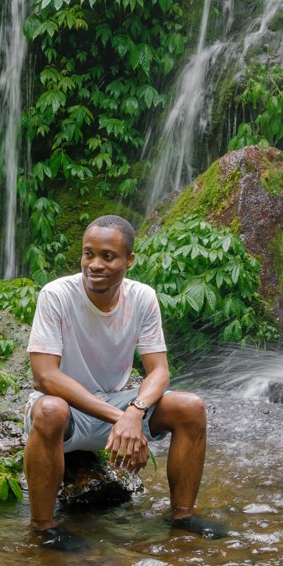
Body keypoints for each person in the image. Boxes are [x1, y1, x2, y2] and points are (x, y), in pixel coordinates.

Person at [24, 214, 226, 549]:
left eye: (108, 256)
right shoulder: (56, 294)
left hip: (116, 403)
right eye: (88, 254)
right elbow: (45, 376)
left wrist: (136, 410)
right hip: (67, 412)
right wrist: (123, 418)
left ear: (129, 260)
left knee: (191, 407)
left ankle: (182, 516)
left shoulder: (142, 297)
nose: (95, 265)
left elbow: (159, 370)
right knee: (49, 410)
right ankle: (43, 528)